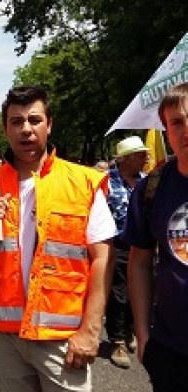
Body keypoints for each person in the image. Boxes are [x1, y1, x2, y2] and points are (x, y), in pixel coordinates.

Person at [0, 86, 116, 392]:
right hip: (7, 338)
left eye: (34, 120)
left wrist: (90, 330)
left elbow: (103, 259)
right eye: (16, 122)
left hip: (62, 339)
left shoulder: (82, 182)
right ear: (5, 128)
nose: (26, 130)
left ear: (49, 124)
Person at [125, 82, 188, 391]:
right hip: (171, 349)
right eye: (177, 122)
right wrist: (141, 333)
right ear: (166, 132)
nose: (186, 128)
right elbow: (138, 262)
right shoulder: (151, 189)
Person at [105, 136, 148, 369]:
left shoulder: (147, 181)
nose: (145, 158)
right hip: (117, 245)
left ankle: (131, 330)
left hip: (142, 247)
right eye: (140, 154)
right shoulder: (107, 181)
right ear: (126, 159)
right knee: (118, 294)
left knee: (139, 292)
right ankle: (117, 340)